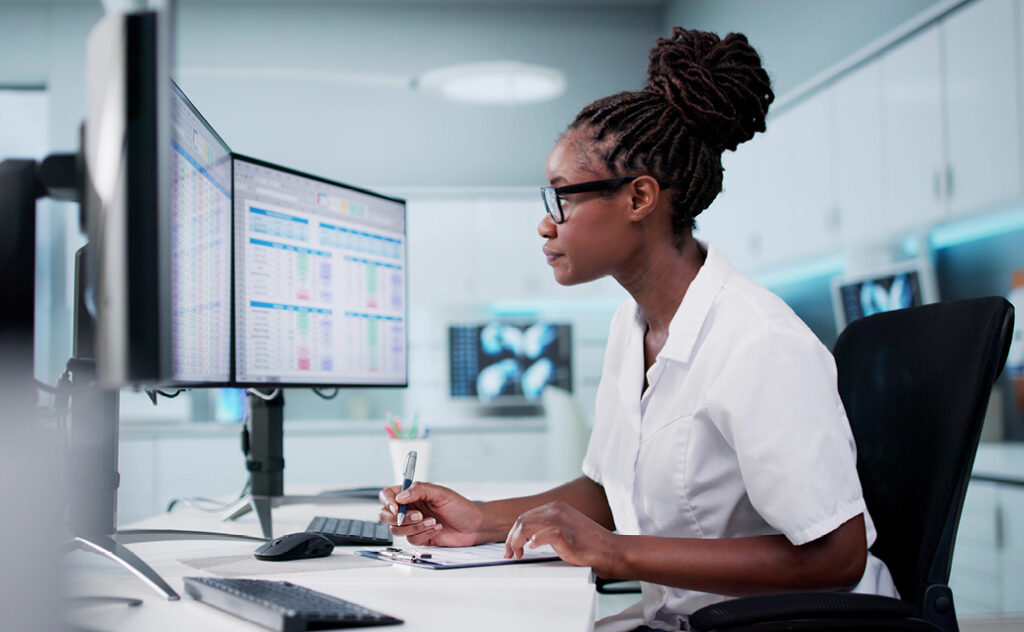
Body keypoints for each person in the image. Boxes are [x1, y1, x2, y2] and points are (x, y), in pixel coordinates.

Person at [378, 27, 899, 631]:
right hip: (685, 618)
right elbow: (608, 492)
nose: (546, 226)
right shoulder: (635, 329)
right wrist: (480, 519)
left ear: (639, 198)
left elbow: (836, 555)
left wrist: (614, 550)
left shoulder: (760, 342)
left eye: (562, 199)